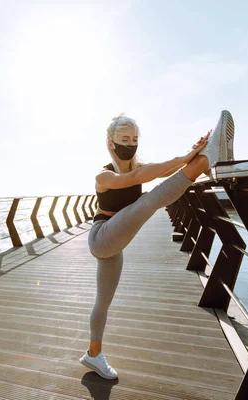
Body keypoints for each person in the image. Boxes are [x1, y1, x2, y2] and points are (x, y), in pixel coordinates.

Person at [79, 111, 235, 379]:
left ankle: (93, 355)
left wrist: (191, 152)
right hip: (102, 236)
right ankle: (207, 159)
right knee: (149, 201)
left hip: (116, 244)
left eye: (134, 138)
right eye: (124, 138)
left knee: (103, 303)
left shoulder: (140, 166)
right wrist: (191, 158)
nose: (130, 143)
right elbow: (138, 179)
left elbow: (163, 168)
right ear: (110, 141)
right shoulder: (103, 176)